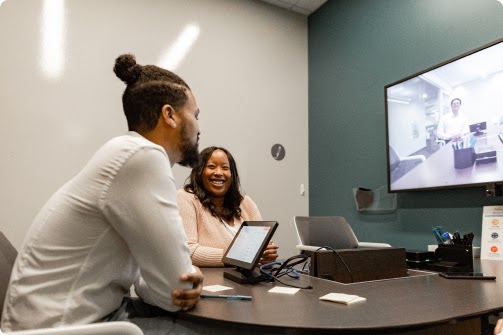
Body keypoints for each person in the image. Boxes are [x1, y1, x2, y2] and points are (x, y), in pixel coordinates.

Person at [1, 53, 204, 333]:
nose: (198, 128)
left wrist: (169, 283)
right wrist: (185, 278)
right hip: (66, 328)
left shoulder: (124, 153)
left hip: (75, 318)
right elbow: (175, 291)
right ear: (169, 115)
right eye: (195, 115)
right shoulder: (144, 158)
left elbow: (153, 282)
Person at [177, 146, 279, 267]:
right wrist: (239, 256)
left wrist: (267, 254)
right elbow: (188, 251)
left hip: (250, 280)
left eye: (225, 168)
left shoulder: (245, 203)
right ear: (199, 171)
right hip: (210, 282)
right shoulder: (185, 198)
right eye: (211, 166)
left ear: (232, 174)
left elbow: (261, 247)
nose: (219, 173)